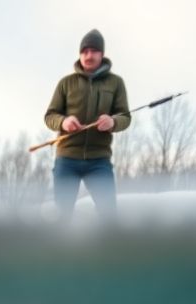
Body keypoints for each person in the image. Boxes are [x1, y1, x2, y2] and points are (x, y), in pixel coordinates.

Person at [44, 29, 131, 222]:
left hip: (99, 160)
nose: (88, 55)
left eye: (93, 51)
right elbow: (50, 116)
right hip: (67, 159)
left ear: (102, 53)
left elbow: (125, 117)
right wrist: (63, 122)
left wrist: (113, 122)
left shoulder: (116, 83)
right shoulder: (65, 83)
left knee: (109, 215)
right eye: (84, 51)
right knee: (61, 217)